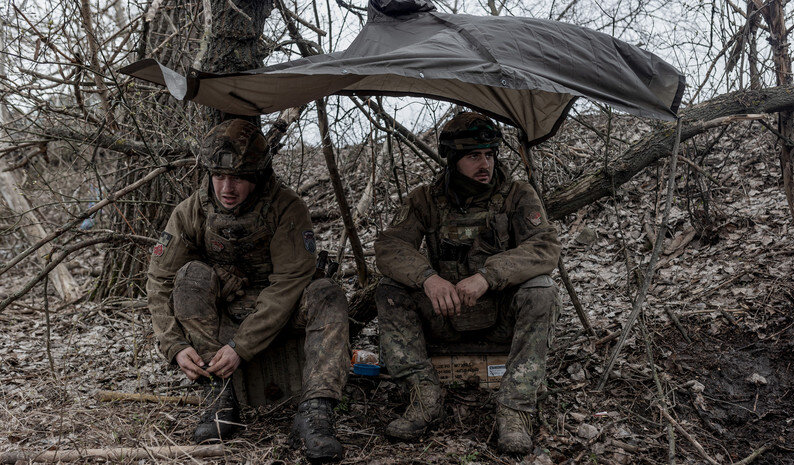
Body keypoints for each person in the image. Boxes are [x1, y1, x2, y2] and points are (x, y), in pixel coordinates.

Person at [146, 119, 348, 462]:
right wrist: (175, 345)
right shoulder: (191, 211)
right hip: (225, 312)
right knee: (190, 276)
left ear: (257, 176)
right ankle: (218, 396)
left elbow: (289, 284)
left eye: (238, 177)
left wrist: (242, 345)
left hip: (282, 311)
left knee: (327, 293)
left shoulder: (286, 208)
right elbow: (160, 280)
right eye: (219, 176)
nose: (227, 187)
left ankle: (316, 411)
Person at [374, 112, 562, 454]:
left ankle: (515, 408)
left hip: (502, 317)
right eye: (474, 155)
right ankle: (423, 396)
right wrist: (428, 279)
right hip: (445, 316)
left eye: (489, 154)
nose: (485, 163)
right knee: (389, 290)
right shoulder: (425, 200)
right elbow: (390, 247)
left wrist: (489, 276)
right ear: (453, 160)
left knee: (541, 290)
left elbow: (545, 248)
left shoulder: (517, 195)